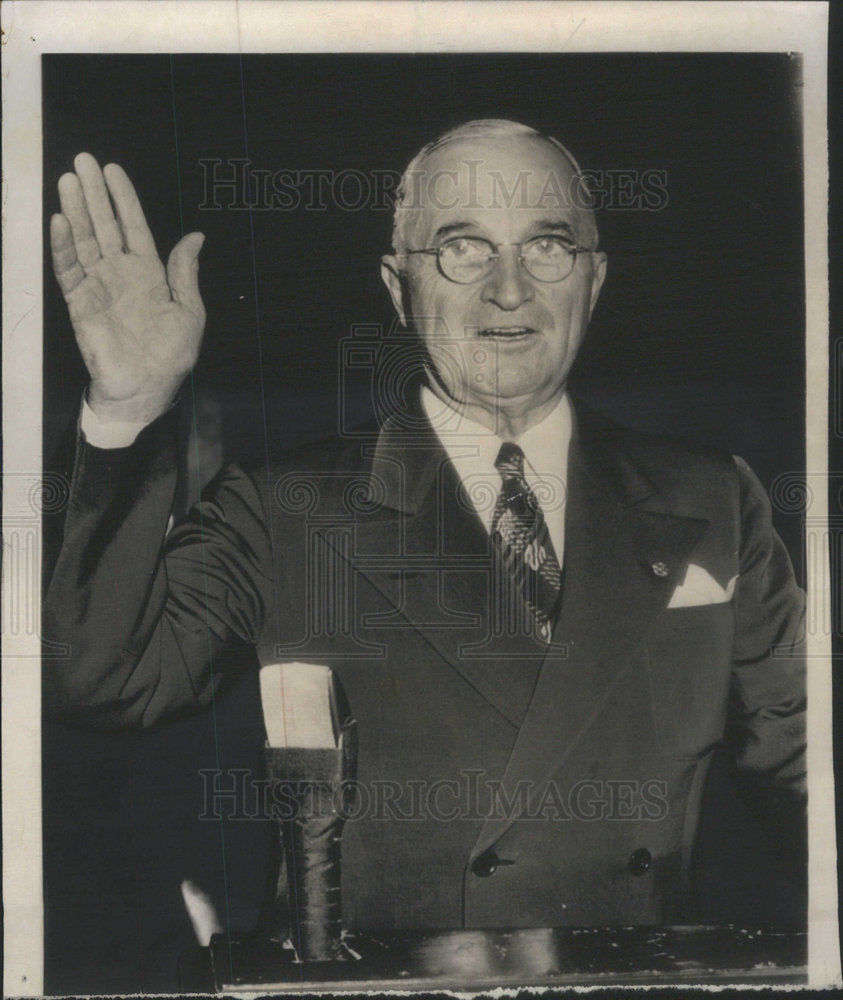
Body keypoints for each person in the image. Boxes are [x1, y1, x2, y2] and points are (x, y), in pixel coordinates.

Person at [45, 120, 806, 934]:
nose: (509, 289)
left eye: (546, 246)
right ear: (397, 286)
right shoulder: (283, 509)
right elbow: (101, 678)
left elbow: (804, 768)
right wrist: (128, 409)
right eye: (462, 249)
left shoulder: (711, 495)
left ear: (594, 278)